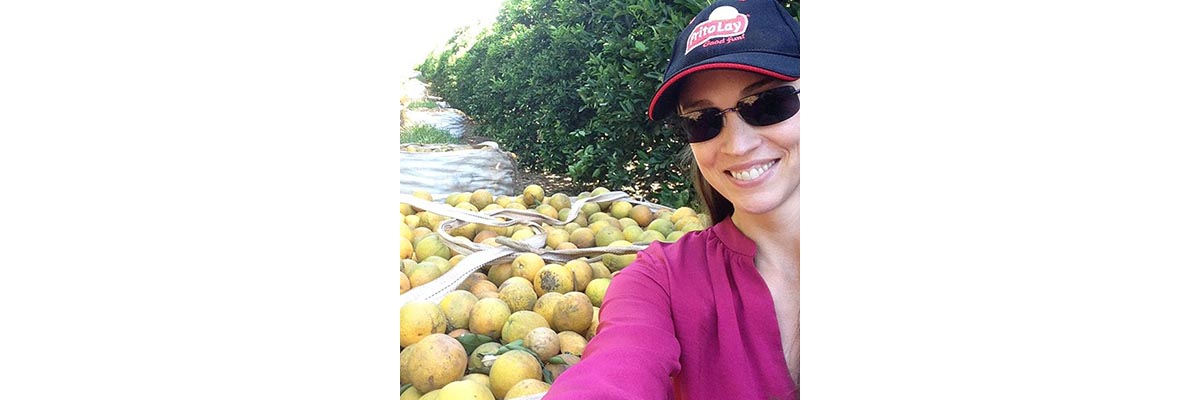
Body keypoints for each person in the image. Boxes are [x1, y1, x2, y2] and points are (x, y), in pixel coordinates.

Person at [542, 0, 799, 398]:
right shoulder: (660, 280)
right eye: (703, 120)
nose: (738, 144)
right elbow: (615, 368)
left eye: (768, 103)